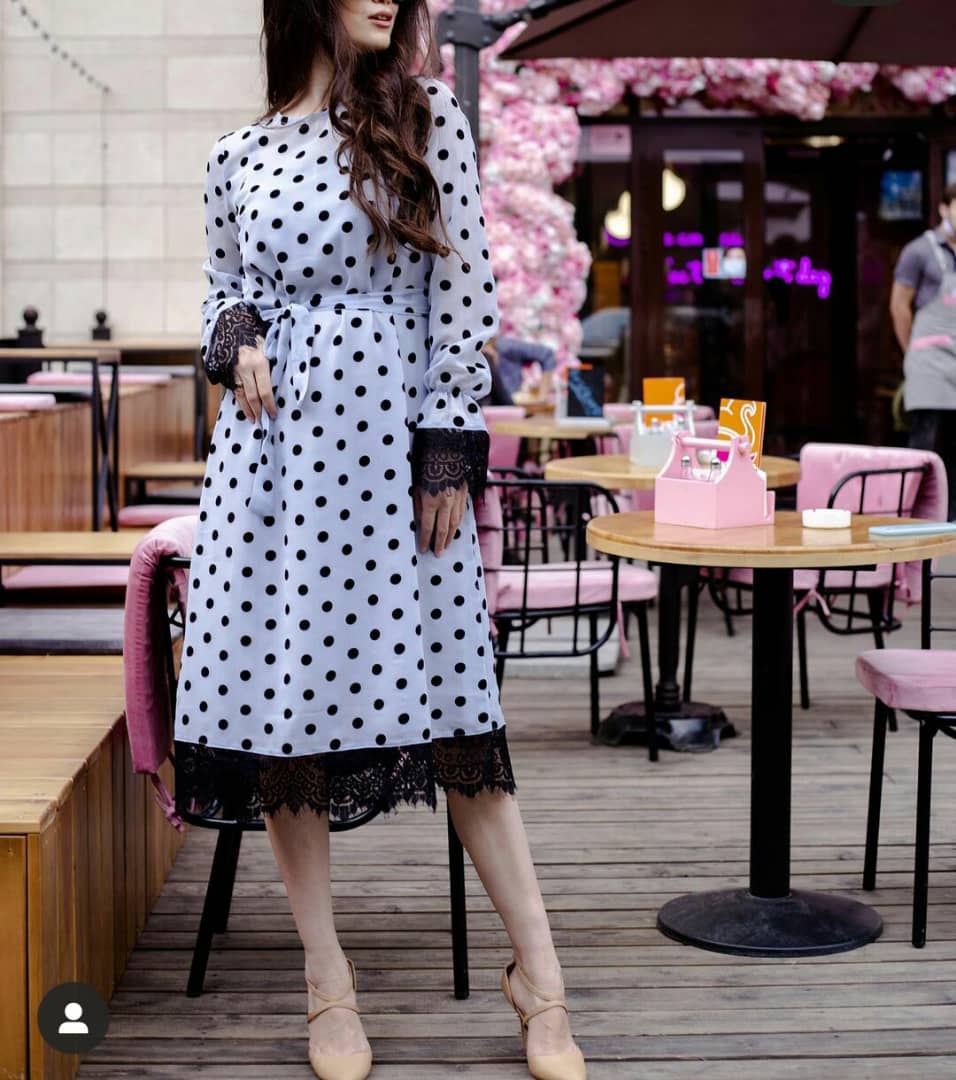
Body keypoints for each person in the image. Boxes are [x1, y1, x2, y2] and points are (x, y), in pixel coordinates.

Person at [175, 3, 587, 1079]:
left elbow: (464, 294)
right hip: (271, 474)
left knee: (462, 721)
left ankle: (540, 978)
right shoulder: (236, 154)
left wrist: (447, 442)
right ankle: (328, 986)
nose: (388, 0)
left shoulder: (426, 116)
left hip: (393, 461)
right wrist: (235, 336)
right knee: (285, 731)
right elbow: (222, 290)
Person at [890, 182, 956, 519]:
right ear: (944, 208)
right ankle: (913, 520)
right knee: (924, 447)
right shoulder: (918, 251)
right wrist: (911, 353)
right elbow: (899, 306)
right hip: (929, 362)